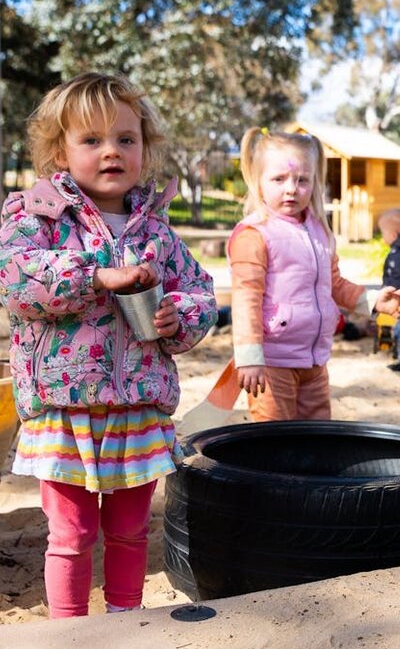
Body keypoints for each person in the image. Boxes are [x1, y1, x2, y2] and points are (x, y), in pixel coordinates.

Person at [0, 72, 217, 619]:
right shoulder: (38, 218)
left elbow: (200, 292)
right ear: (59, 151)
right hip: (64, 409)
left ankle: (125, 620)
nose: (111, 152)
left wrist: (178, 316)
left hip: (137, 408)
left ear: (145, 148)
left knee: (129, 529)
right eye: (91, 140)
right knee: (71, 533)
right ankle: (68, 631)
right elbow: (18, 281)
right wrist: (99, 277)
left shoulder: (158, 232)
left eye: (126, 138)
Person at [228, 128, 400, 421]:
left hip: (315, 361)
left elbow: (334, 283)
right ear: (258, 182)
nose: (292, 188)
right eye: (279, 179)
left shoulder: (319, 231)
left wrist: (371, 301)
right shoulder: (255, 234)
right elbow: (245, 300)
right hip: (272, 363)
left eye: (302, 179)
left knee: (317, 438)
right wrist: (249, 357)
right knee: (275, 441)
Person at [378, 208, 400, 371]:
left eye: (382, 233)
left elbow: (393, 277)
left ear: (393, 234)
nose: (382, 237)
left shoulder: (396, 254)